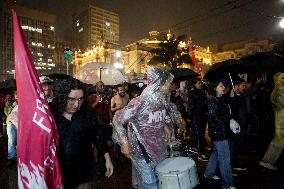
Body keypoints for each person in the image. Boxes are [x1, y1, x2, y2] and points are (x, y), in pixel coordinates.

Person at [112, 67, 185, 189]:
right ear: (158, 84)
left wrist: (167, 125)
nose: (170, 86)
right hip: (142, 152)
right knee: (150, 184)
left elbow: (168, 114)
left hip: (160, 149)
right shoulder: (140, 102)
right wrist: (124, 143)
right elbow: (117, 120)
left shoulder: (163, 101)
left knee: (160, 179)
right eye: (168, 83)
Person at [51, 78, 113, 189]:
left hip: (84, 172)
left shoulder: (87, 113)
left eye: (80, 99)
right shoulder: (51, 113)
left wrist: (107, 158)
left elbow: (97, 135)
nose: (76, 104)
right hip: (60, 173)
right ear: (63, 96)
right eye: (71, 99)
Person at [204, 80, 235, 189]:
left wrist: (231, 97)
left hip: (221, 132)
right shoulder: (212, 101)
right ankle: (227, 184)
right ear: (214, 87)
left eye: (224, 86)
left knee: (216, 154)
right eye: (221, 86)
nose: (223, 88)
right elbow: (215, 118)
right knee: (225, 159)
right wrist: (228, 119)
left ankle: (209, 173)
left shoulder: (220, 99)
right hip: (219, 133)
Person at [259, 72, 284, 170]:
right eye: (282, 78)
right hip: (281, 118)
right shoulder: (277, 91)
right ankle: (268, 161)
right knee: (279, 140)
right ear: (277, 80)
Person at [187, 78, 208, 161]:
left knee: (201, 134)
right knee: (199, 135)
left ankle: (196, 148)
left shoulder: (203, 92)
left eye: (201, 83)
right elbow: (191, 106)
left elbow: (205, 104)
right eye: (199, 83)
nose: (200, 84)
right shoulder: (192, 93)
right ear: (194, 84)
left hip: (203, 116)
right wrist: (190, 117)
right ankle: (200, 153)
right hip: (196, 116)